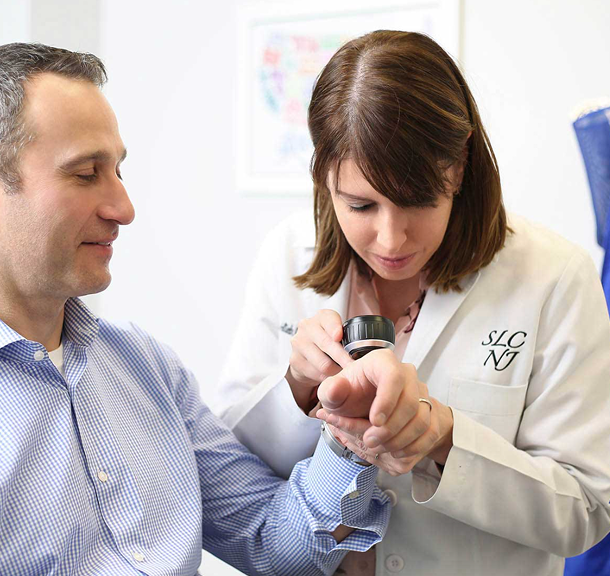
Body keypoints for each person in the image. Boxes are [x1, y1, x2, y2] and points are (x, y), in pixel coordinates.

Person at [0, 43, 429, 575]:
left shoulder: (145, 366)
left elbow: (275, 545)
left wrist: (352, 430)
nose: (124, 208)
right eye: (86, 174)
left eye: (119, 171)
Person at [216, 30, 610, 576]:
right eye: (361, 205)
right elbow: (233, 466)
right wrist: (297, 387)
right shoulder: (286, 253)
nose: (391, 239)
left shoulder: (554, 277)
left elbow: (586, 510)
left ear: (460, 165)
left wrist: (444, 441)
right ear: (323, 177)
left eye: (418, 200)